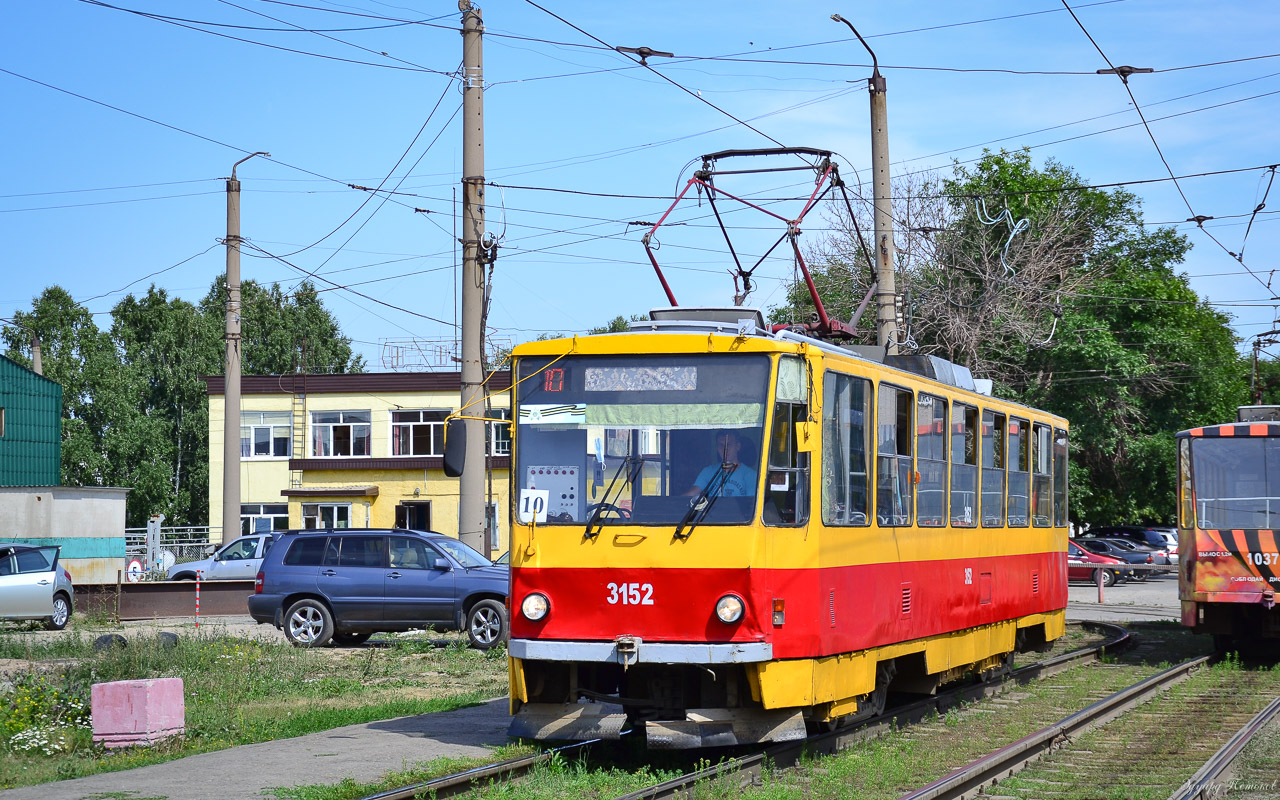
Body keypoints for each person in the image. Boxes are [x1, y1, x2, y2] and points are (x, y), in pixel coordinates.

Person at [685, 430, 758, 497]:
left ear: (738, 446)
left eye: (728, 444)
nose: (725, 449)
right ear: (717, 448)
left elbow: (750, 504)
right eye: (721, 445)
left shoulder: (751, 475)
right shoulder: (708, 472)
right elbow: (691, 494)